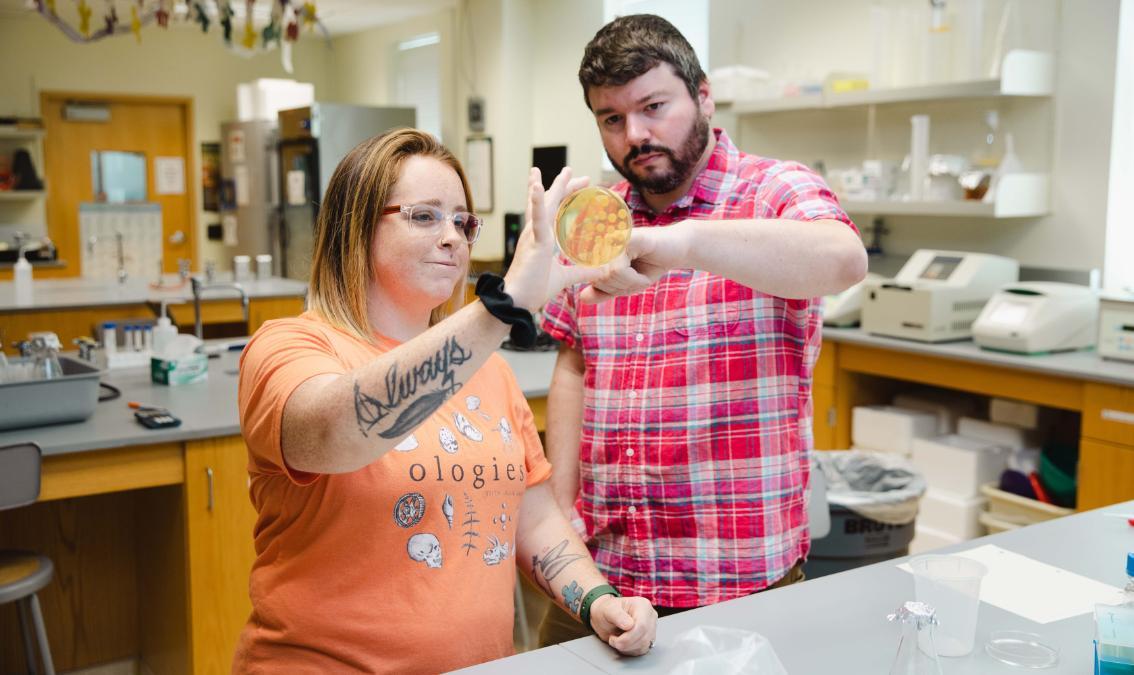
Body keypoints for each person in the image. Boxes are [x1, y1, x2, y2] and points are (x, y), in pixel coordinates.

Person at [234, 128, 657, 673]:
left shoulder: (491, 369)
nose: (453, 237)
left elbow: (532, 520)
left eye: (462, 220)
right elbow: (336, 434)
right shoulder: (290, 346)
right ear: (355, 226)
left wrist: (599, 601)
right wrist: (505, 307)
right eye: (425, 216)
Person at [538, 14, 868, 644]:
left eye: (653, 106)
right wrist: (558, 508)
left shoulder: (774, 189)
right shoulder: (597, 218)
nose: (635, 134)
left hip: (736, 580)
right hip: (604, 572)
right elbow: (575, 363)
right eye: (611, 119)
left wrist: (683, 242)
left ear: (704, 95)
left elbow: (844, 258)